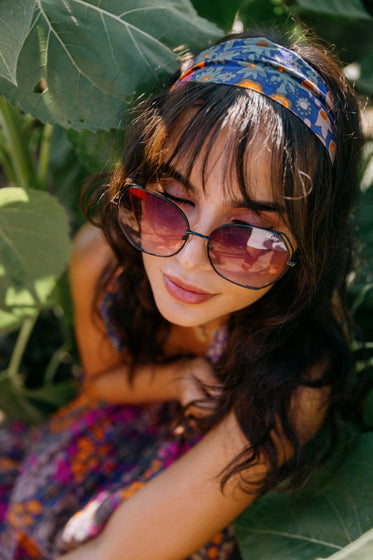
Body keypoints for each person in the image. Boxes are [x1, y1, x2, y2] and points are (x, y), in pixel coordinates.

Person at [0, 27, 363, 560]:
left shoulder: (295, 383)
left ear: (307, 253)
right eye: (170, 202)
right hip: (81, 462)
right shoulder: (102, 260)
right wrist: (171, 379)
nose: (188, 261)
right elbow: (100, 382)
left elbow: (119, 551)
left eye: (251, 236)